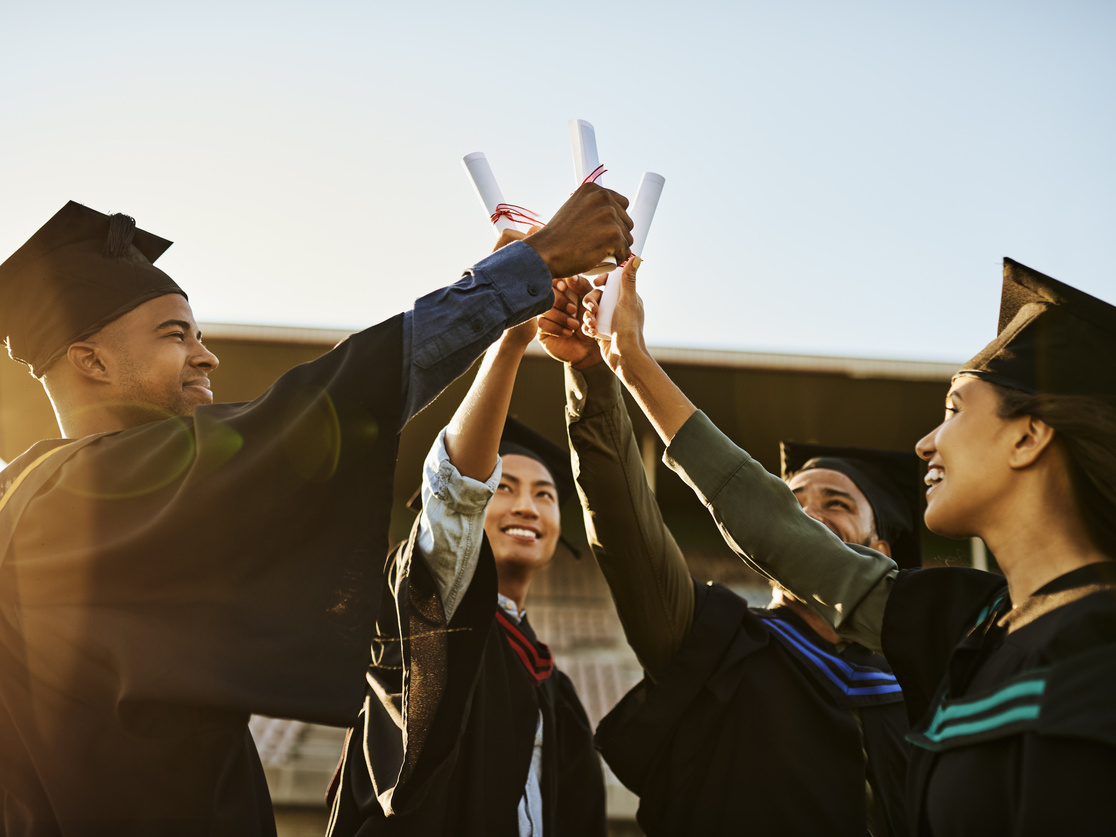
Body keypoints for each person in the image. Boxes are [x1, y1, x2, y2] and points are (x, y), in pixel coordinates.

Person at [0, 192, 631, 836]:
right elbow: (335, 396)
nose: (205, 354)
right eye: (175, 334)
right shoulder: (84, 493)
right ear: (91, 360)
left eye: (199, 333)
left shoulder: (45, 504)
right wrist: (529, 264)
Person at [580, 257, 1116, 834]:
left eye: (954, 410)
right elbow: (775, 529)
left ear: (1028, 436)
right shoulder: (967, 622)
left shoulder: (1095, 637)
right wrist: (627, 362)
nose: (925, 444)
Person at [536, 275, 916, 834]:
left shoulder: (921, 685)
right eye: (791, 502)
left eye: (835, 502)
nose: (806, 515)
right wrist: (593, 373)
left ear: (879, 549)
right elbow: (624, 527)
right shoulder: (714, 643)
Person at [326, 235, 605, 836]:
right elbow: (454, 496)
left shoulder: (555, 689)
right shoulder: (432, 614)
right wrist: (510, 342)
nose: (526, 506)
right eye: (504, 487)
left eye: (545, 494)